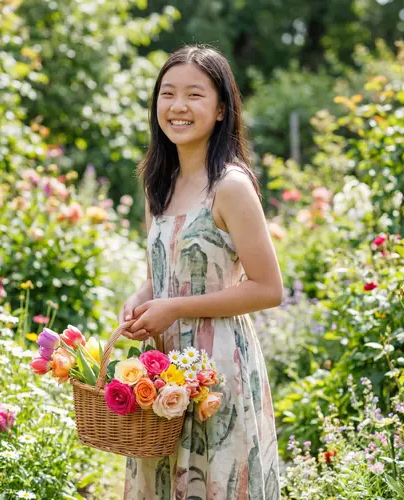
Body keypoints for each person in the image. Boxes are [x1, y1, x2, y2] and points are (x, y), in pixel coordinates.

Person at [118, 44, 283, 500]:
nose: (178, 107)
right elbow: (163, 271)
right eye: (167, 93)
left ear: (221, 110)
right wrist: (140, 298)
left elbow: (269, 289)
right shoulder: (158, 184)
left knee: (218, 482)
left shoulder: (230, 186)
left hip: (218, 366)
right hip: (163, 370)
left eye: (194, 95)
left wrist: (175, 308)